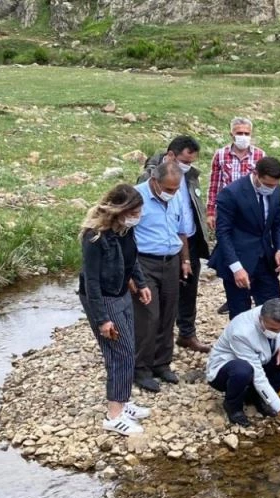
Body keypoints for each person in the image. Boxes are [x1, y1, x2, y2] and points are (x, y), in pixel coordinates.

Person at [78, 184, 152, 435]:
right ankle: (113, 415)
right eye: (135, 211)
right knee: (118, 353)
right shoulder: (94, 237)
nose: (137, 216)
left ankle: (124, 400)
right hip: (103, 299)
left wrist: (140, 284)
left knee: (128, 349)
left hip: (121, 293)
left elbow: (132, 259)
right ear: (119, 210)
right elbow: (91, 282)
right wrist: (102, 320)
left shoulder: (125, 230)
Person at [138, 135, 211, 353]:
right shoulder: (148, 178)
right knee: (158, 299)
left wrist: (187, 255)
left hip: (186, 239)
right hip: (155, 246)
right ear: (170, 155)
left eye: (191, 162)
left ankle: (186, 334)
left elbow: (193, 207)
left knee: (188, 288)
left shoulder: (190, 176)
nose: (188, 166)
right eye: (184, 161)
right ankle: (153, 344)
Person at [132, 161, 190, 392]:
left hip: (171, 261)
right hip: (144, 262)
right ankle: (141, 368)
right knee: (148, 316)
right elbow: (124, 235)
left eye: (176, 189)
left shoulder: (176, 195)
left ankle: (162, 364)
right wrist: (130, 274)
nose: (172, 193)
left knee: (168, 314)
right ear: (154, 181)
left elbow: (182, 230)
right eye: (168, 189)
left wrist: (185, 260)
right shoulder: (136, 197)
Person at [207, 157, 280, 319]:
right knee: (241, 314)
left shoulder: (276, 190)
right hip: (239, 260)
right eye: (268, 184)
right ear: (256, 174)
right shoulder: (231, 193)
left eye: (275, 184)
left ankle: (271, 343)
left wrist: (279, 249)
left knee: (273, 309)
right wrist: (236, 268)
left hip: (265, 259)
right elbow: (223, 233)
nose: (272, 188)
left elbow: (278, 223)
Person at [206, 298, 280, 429]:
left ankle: (257, 397)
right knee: (243, 370)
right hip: (225, 371)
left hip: (260, 360)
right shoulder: (241, 333)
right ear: (260, 318)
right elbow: (259, 377)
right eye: (272, 329)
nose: (276, 333)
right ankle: (233, 406)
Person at [207, 117, 265, 315]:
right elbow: (214, 184)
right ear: (231, 133)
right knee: (227, 245)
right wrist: (211, 211)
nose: (243, 137)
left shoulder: (259, 155)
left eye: (246, 133)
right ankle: (233, 292)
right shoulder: (221, 155)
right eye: (239, 133)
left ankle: (251, 289)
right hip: (228, 209)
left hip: (251, 211)